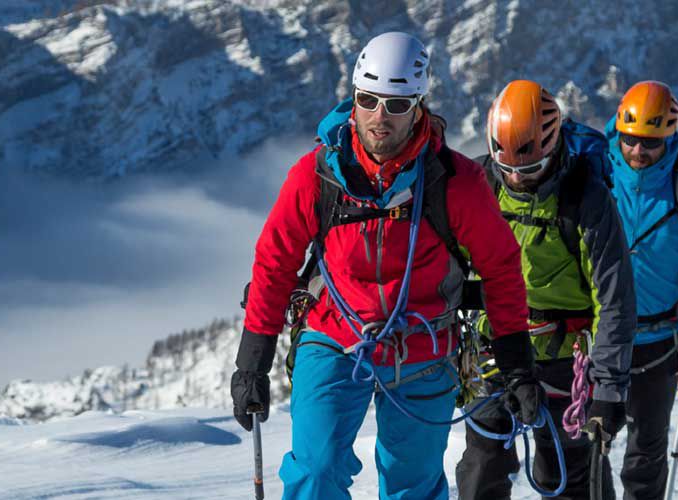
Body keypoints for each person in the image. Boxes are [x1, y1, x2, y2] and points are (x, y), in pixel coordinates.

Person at [230, 32, 538, 500]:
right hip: (334, 336)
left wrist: (516, 365)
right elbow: (275, 264)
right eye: (368, 100)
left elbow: (501, 269)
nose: (379, 116)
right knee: (315, 473)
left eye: (395, 105)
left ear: (418, 106)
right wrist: (253, 363)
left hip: (423, 345)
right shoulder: (316, 176)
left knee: (411, 490)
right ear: (353, 98)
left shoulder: (456, 183)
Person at [454, 80, 637, 500]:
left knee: (569, 474)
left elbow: (614, 300)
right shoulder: (480, 184)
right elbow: (450, 258)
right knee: (482, 467)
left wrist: (608, 390)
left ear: (554, 151)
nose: (518, 180)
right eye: (509, 170)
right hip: (494, 351)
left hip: (564, 363)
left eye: (530, 170)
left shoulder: (586, 199)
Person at [601, 81, 678, 500]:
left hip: (658, 344)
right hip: (598, 339)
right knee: (588, 446)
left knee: (646, 454)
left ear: (670, 137)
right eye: (631, 140)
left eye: (650, 143)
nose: (638, 151)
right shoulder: (595, 176)